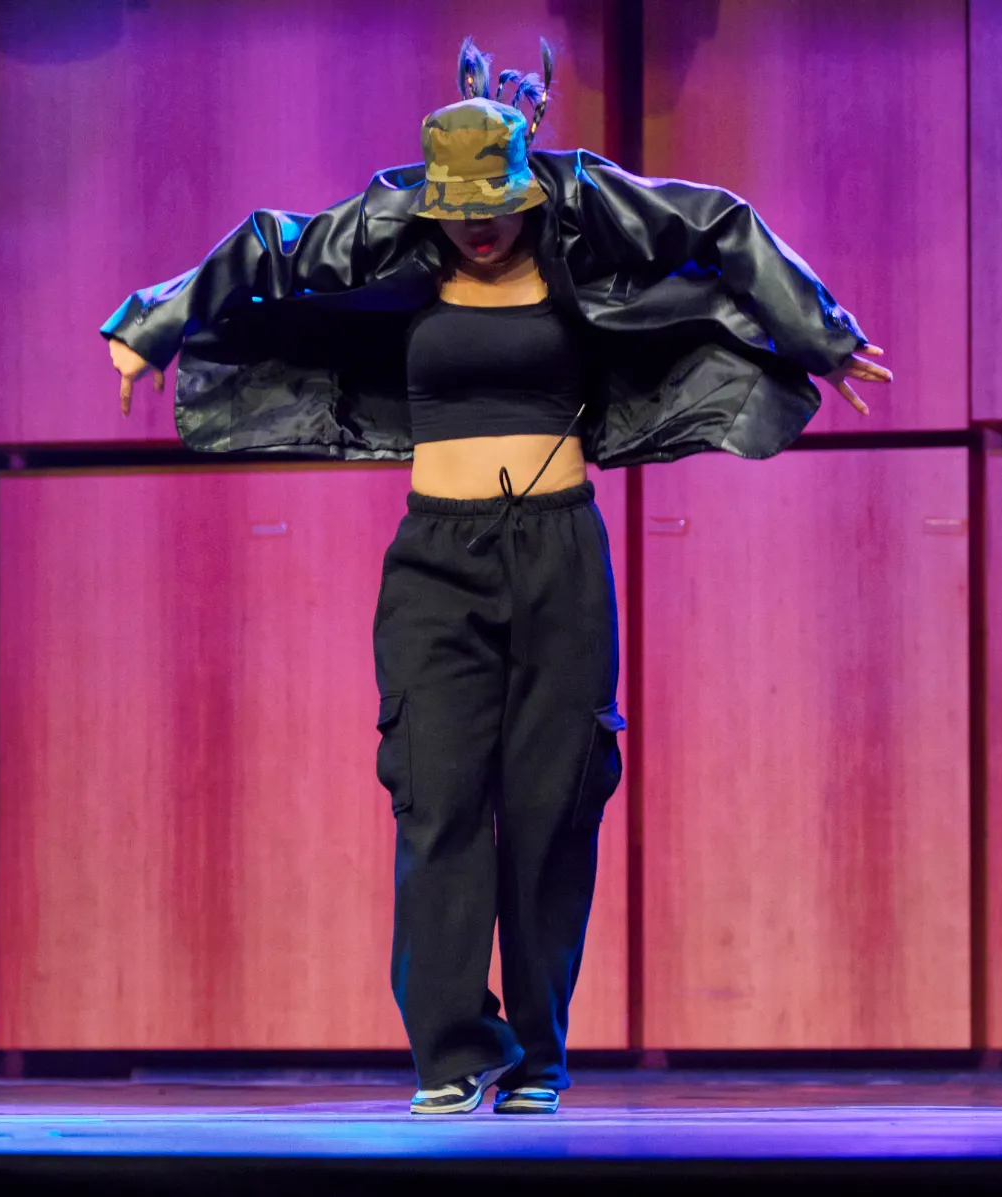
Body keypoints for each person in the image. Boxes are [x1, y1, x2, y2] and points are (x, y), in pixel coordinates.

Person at [102, 37, 891, 1116]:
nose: (477, 226)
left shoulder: (580, 206)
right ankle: (451, 1051)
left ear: (527, 187)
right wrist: (151, 327)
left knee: (554, 804)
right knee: (435, 797)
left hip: (559, 554)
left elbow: (719, 223)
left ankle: (539, 1057)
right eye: (457, 210)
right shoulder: (392, 224)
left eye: (496, 207)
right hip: (438, 560)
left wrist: (820, 332)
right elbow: (270, 247)